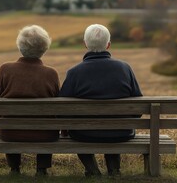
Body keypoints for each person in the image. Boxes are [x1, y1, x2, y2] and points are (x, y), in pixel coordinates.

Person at [59, 24, 142, 176]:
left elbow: (62, 109)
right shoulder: (125, 68)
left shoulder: (74, 73)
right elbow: (138, 108)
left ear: (85, 44)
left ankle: (92, 170)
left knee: (77, 128)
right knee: (113, 125)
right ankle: (114, 169)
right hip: (121, 132)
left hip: (83, 134)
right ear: (108, 45)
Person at [0, 25, 60, 176]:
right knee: (48, 125)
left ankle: (14, 168)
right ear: (45, 48)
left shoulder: (5, 69)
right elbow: (57, 109)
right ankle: (42, 169)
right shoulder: (51, 73)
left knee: (10, 123)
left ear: (19, 46)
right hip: (44, 135)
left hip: (10, 133)